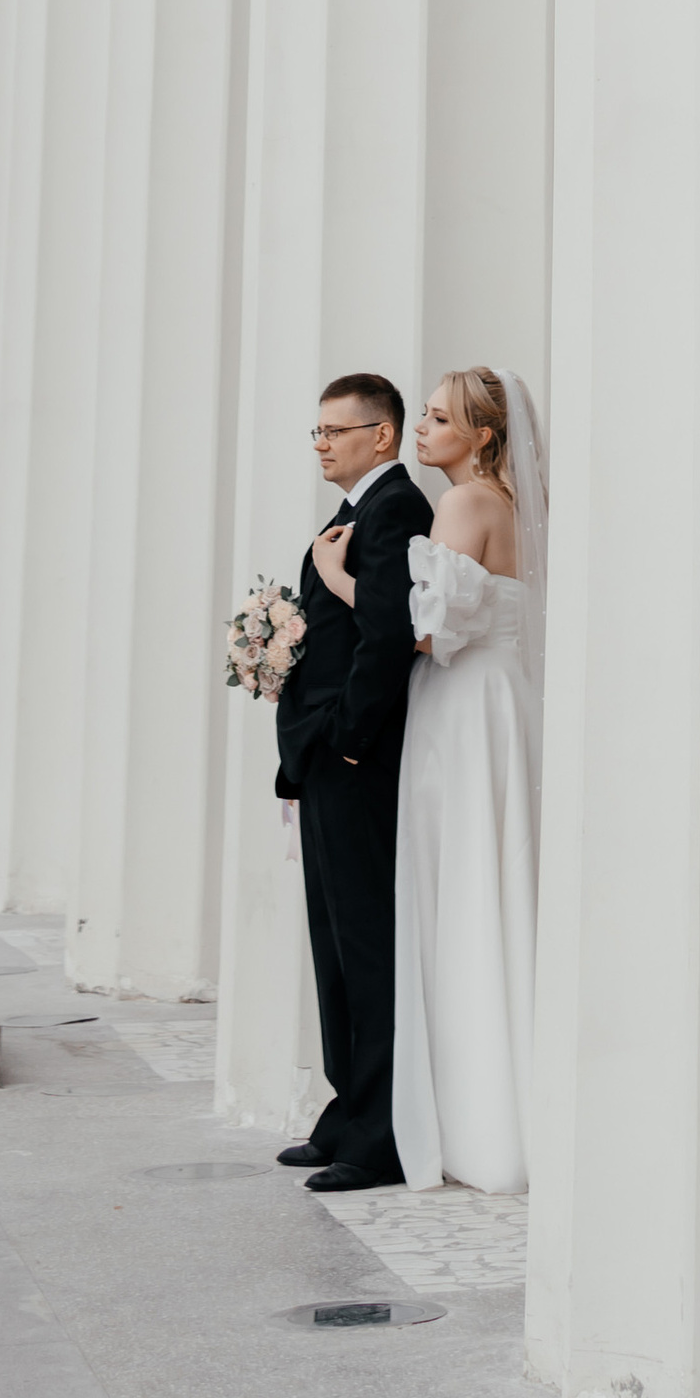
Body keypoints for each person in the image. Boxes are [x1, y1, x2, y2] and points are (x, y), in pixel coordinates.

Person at [307, 365, 546, 1193]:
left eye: (439, 418)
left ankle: (458, 1115)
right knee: (491, 883)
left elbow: (421, 630)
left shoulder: (463, 503)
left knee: (456, 890)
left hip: (460, 706)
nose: (421, 428)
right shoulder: (508, 505)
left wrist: (337, 580)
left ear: (483, 435)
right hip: (498, 699)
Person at [272, 374, 433, 1191]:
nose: (321, 444)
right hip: (325, 760)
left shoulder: (395, 508)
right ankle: (348, 1111)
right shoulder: (351, 513)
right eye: (317, 431)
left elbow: (389, 634)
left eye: (335, 431)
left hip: (357, 763)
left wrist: (345, 742)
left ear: (381, 435)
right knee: (333, 945)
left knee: (366, 946)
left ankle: (380, 1137)